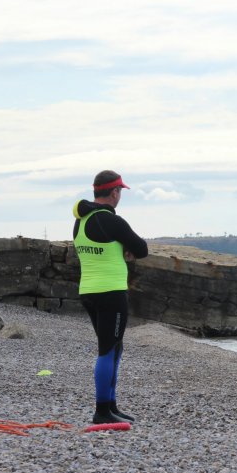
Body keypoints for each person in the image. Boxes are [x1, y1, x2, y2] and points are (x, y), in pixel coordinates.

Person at [73, 170, 148, 424]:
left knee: (114, 346)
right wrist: (126, 247)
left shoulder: (80, 220)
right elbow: (142, 249)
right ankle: (102, 411)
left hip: (88, 291)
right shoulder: (112, 221)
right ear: (114, 192)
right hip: (111, 292)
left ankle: (111, 407)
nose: (120, 197)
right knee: (107, 349)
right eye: (120, 192)